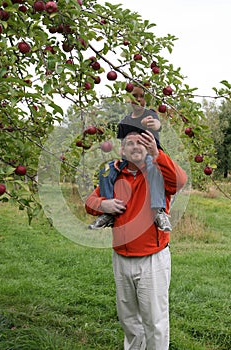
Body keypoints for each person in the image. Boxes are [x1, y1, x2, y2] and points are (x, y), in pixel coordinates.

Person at [85, 131, 187, 350]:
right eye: (129, 143)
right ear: (122, 150)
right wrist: (104, 205)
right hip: (121, 257)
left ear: (148, 147)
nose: (135, 147)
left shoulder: (158, 173)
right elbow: (90, 202)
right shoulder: (115, 176)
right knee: (129, 320)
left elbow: (180, 181)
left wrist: (157, 153)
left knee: (155, 321)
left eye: (141, 143)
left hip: (152, 258)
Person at [88, 85, 172, 231]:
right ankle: (109, 211)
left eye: (142, 96)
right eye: (135, 96)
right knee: (106, 170)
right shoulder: (124, 121)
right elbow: (122, 144)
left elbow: (158, 126)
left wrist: (156, 124)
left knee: (154, 169)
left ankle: (159, 210)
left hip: (151, 156)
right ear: (128, 98)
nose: (138, 99)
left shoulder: (150, 114)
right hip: (129, 158)